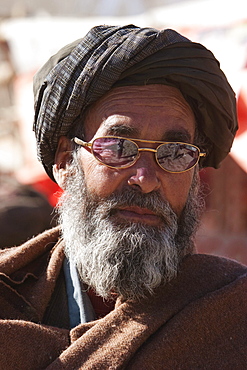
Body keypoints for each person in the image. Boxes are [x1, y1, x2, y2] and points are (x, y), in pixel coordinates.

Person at [0, 25, 246, 369]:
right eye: (118, 148)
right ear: (65, 161)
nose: (145, 179)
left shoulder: (233, 312)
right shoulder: (8, 294)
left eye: (174, 152)